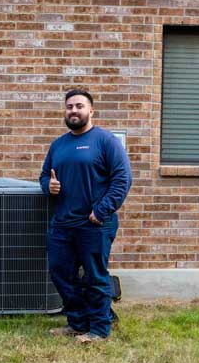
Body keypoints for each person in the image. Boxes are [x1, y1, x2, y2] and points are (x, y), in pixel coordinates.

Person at [39, 88, 132, 343]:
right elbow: (45, 176)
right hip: (62, 223)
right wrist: (49, 186)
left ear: (91, 110)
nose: (74, 111)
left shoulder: (105, 140)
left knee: (94, 276)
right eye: (69, 107)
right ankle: (77, 323)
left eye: (79, 106)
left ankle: (100, 329)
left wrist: (100, 211)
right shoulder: (58, 145)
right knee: (60, 273)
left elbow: (122, 179)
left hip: (95, 224)